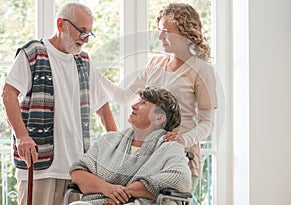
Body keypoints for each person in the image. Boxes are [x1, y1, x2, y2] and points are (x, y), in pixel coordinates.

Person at [1, 2, 117, 205]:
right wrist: (21, 136)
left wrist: (117, 147)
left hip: (77, 169)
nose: (85, 39)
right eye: (82, 31)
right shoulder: (34, 53)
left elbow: (103, 107)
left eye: (89, 32)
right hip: (39, 165)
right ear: (61, 24)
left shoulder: (84, 61)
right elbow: (9, 93)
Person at [97, 3, 218, 193]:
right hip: (148, 157)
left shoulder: (202, 70)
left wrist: (183, 139)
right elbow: (123, 96)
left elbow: (207, 122)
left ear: (185, 33)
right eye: (159, 31)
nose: (160, 37)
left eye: (166, 32)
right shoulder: (155, 63)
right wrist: (94, 73)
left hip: (181, 158)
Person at [69, 87, 191, 205]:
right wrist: (107, 188)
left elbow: (180, 178)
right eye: (138, 101)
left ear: (159, 118)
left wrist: (125, 193)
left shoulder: (170, 147)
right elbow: (78, 171)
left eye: (143, 103)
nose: (134, 106)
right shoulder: (108, 140)